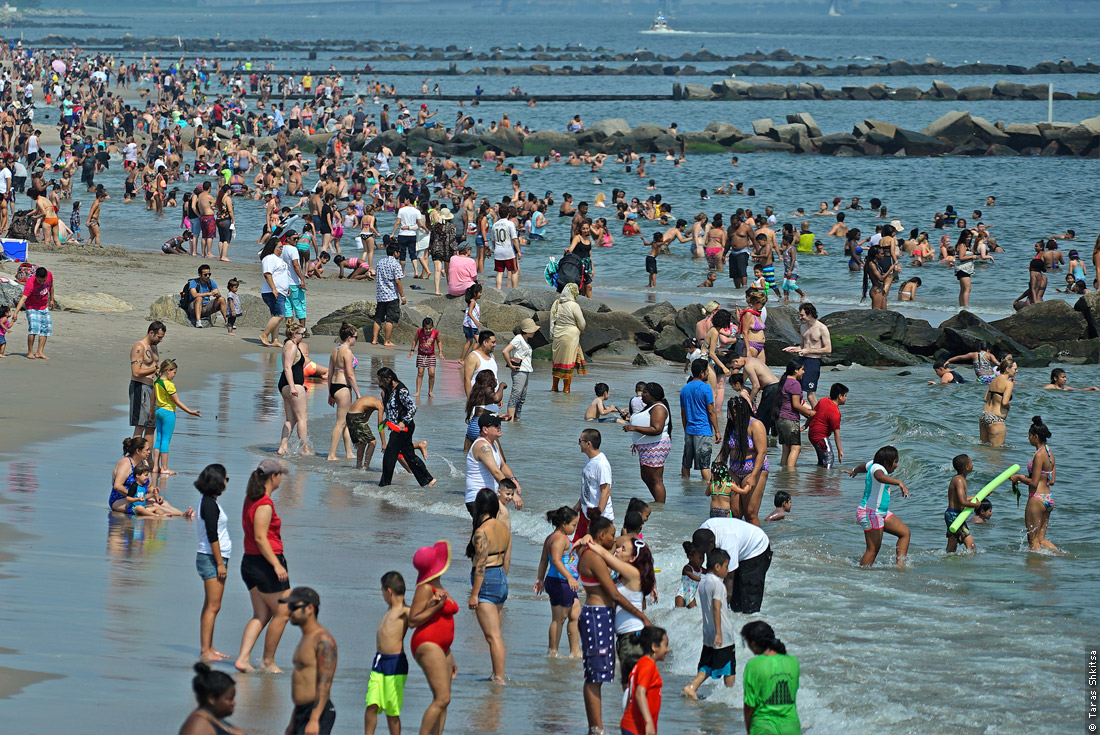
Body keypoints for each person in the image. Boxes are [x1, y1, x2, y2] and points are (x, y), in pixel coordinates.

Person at [576, 517, 650, 735]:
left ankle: (599, 727)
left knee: (600, 675)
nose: (614, 539)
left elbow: (617, 545)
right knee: (595, 676)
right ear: (601, 536)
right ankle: (596, 728)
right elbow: (614, 594)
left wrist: (587, 537)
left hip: (600, 615)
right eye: (611, 535)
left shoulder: (593, 551)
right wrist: (642, 617)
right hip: (596, 614)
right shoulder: (595, 557)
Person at [234, 459, 291, 673]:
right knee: (283, 612)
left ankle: (243, 658)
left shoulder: (251, 499)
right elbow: (260, 537)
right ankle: (268, 661)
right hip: (264, 563)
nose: (281, 479)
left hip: (250, 562)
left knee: (261, 614)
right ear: (273, 477)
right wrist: (276, 565)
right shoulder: (264, 504)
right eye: (280, 475)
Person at [409, 540, 460, 735]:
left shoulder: (438, 585)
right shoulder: (425, 588)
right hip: (427, 643)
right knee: (442, 698)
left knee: (445, 700)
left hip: (442, 648)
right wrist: (436, 606)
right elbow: (413, 620)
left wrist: (449, 654)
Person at [466, 487, 511, 683]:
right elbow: (507, 559)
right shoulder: (503, 527)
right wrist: (503, 579)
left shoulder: (481, 532)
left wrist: (474, 593)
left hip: (487, 581)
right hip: (501, 578)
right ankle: (496, 674)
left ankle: (499, 678)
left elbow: (481, 564)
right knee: (496, 636)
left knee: (493, 637)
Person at [682, 547, 737, 700]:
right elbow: (716, 608)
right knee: (729, 666)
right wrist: (719, 632)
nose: (727, 570)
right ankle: (730, 697)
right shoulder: (718, 585)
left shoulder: (704, 580)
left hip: (708, 630)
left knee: (708, 662)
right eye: (726, 566)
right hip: (722, 632)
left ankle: (692, 686)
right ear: (717, 567)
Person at [282, 587, 338, 735]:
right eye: (289, 607)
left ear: (309, 609)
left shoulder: (323, 640)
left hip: (316, 712)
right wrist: (292, 722)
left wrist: (314, 719)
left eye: (294, 607)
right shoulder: (305, 638)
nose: (289, 612)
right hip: (301, 712)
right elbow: (303, 682)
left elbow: (325, 683)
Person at [193, 464, 232, 665]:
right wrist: (219, 563)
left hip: (212, 556)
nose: (227, 482)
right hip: (211, 557)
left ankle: (208, 646)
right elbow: (212, 535)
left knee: (211, 605)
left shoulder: (209, 502)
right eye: (226, 478)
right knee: (213, 606)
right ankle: (205, 650)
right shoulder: (209, 504)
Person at [847, 445, 911, 568]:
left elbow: (862, 467)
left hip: (880, 512)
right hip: (870, 513)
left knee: (904, 533)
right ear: (887, 463)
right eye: (895, 462)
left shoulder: (873, 463)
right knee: (873, 549)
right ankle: (862, 575)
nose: (897, 465)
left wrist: (854, 470)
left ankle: (900, 566)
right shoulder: (877, 468)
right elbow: (879, 477)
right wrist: (899, 482)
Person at [692, 518, 772, 613]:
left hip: (756, 550)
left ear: (712, 543)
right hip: (739, 546)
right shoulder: (703, 531)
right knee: (736, 605)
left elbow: (729, 578)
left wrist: (719, 610)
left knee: (749, 603)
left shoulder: (728, 544)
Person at [364, 572, 410, 735]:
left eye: (382, 591)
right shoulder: (390, 608)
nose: (382, 595)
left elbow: (419, 619)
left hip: (395, 662)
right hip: (379, 661)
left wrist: (434, 603)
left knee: (392, 709)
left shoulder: (405, 611)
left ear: (389, 591)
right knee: (371, 703)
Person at [534, 506, 582, 658]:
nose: (575, 528)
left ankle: (575, 651)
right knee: (559, 618)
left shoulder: (551, 537)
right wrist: (569, 577)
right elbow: (554, 560)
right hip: (560, 582)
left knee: (575, 613)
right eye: (573, 525)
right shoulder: (559, 539)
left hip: (561, 581)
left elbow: (543, 561)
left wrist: (540, 579)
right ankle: (552, 651)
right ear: (563, 524)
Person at [377, 367, 435, 487]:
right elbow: (394, 409)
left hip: (404, 428)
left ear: (389, 378)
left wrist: (403, 422)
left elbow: (413, 408)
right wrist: (386, 421)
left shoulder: (401, 390)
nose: (380, 383)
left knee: (389, 455)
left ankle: (384, 485)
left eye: (381, 380)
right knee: (409, 455)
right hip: (396, 428)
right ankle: (428, 480)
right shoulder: (388, 390)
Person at [741, 621, 800, 735]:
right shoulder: (793, 662)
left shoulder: (753, 665)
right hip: (791, 727)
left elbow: (749, 705)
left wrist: (749, 730)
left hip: (764, 728)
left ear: (753, 643)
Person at [717, 395, 769, 525]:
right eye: (730, 413)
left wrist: (753, 476)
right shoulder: (732, 426)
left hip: (754, 469)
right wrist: (716, 472)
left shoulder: (755, 425)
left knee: (750, 513)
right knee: (735, 513)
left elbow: (762, 452)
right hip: (734, 470)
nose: (731, 417)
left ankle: (758, 543)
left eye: (734, 413)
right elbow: (724, 451)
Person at [1010, 416, 1058, 552]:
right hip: (1048, 498)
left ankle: (1034, 570)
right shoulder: (1050, 453)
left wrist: (1018, 477)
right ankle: (1061, 557)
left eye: (1029, 436)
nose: (1028, 439)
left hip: (1036, 499)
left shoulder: (1038, 455)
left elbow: (1034, 482)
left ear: (1036, 437)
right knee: (1042, 539)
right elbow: (1051, 480)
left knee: (1033, 542)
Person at [622, 382, 672, 503]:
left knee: (656, 479)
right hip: (647, 446)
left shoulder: (658, 408)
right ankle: (656, 501)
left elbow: (657, 429)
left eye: (645, 393)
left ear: (653, 395)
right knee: (645, 477)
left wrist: (634, 428)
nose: (642, 395)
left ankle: (660, 506)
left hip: (656, 446)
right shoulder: (651, 406)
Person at [152, 359, 203, 475]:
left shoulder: (156, 381)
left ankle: (155, 466)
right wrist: (190, 411)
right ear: (168, 370)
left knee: (159, 438)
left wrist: (151, 411)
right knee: (165, 440)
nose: (174, 375)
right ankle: (164, 467)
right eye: (174, 372)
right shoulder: (169, 385)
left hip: (158, 410)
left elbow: (152, 398)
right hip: (168, 413)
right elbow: (177, 402)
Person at [325, 323, 361, 462]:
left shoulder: (335, 350)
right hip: (343, 387)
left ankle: (349, 452)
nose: (356, 340)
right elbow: (350, 375)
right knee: (340, 423)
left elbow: (329, 373)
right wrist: (358, 393)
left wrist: (330, 392)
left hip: (334, 386)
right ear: (349, 337)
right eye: (355, 337)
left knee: (345, 421)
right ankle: (331, 454)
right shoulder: (347, 352)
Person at [782, 303, 830, 407]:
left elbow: (828, 349)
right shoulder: (803, 327)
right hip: (801, 360)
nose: (800, 318)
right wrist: (794, 348)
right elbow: (802, 347)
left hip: (813, 362)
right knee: (794, 390)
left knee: (810, 395)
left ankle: (818, 417)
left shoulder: (822, 328)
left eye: (802, 315)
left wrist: (809, 351)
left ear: (810, 314)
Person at [681, 359, 720, 483]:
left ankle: (685, 488)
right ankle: (706, 493)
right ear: (702, 373)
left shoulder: (685, 389)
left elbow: (683, 413)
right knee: (705, 465)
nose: (708, 373)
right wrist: (717, 431)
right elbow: (711, 411)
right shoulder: (706, 388)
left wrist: (685, 429)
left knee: (686, 464)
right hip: (703, 430)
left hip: (689, 430)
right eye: (707, 371)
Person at [179, 662, 243, 735]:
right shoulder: (198, 726)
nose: (233, 702)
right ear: (211, 699)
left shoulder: (213, 719)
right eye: (229, 699)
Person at [278, 324, 313, 456]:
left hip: (287, 385)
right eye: (301, 334)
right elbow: (287, 367)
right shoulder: (291, 346)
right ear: (294, 334)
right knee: (302, 418)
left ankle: (283, 446)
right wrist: (293, 386)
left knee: (290, 419)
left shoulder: (290, 344)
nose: (302, 337)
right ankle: (304, 448)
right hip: (291, 385)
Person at [773, 360, 815, 467]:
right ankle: (791, 474)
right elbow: (796, 405)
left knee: (786, 449)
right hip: (790, 420)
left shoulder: (784, 381)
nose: (804, 372)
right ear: (796, 371)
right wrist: (810, 414)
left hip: (780, 419)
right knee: (796, 448)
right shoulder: (795, 384)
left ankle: (784, 475)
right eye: (802, 369)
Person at [575, 428, 614, 541]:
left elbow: (605, 492)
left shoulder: (601, 464)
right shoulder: (590, 459)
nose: (579, 443)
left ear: (588, 444)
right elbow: (587, 485)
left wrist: (597, 518)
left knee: (591, 552)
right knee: (576, 548)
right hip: (585, 512)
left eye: (580, 441)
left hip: (598, 517)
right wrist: (578, 505)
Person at [129, 321, 165, 440]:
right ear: (151, 333)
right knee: (140, 424)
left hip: (153, 388)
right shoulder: (139, 347)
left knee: (151, 424)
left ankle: (147, 458)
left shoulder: (153, 347)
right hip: (140, 387)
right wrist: (155, 368)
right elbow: (136, 372)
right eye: (159, 337)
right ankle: (134, 455)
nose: (160, 340)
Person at [11, 264, 54, 359]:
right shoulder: (30, 282)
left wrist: (51, 300)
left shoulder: (49, 275)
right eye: (39, 281)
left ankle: (39, 352)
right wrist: (15, 312)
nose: (42, 283)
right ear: (36, 277)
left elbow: (51, 286)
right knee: (34, 329)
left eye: (43, 280)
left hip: (44, 306)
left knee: (45, 330)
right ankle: (30, 352)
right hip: (32, 307)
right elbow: (23, 299)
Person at [550, 283, 586, 392]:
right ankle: (566, 388)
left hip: (558, 335)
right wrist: (579, 328)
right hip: (571, 336)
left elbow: (552, 320)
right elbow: (582, 324)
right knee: (568, 361)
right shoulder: (574, 305)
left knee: (558, 361)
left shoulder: (556, 303)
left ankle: (554, 386)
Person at [502, 318, 538, 420]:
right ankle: (511, 420)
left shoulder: (525, 340)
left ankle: (517, 418)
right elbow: (505, 351)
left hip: (526, 370)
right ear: (526, 330)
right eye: (533, 330)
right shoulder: (518, 338)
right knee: (516, 395)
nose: (534, 332)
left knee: (522, 397)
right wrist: (510, 364)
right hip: (519, 371)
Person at [372, 243, 406, 346]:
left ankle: (374, 339)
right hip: (391, 295)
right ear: (395, 253)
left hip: (381, 294)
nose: (399, 254)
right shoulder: (396, 264)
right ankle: (387, 341)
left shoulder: (380, 262)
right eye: (398, 252)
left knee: (378, 318)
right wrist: (402, 296)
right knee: (390, 319)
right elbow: (398, 281)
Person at [945, 454, 981, 553]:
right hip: (954, 515)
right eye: (971, 462)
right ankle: (966, 567)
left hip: (952, 515)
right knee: (971, 546)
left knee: (951, 548)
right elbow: (963, 501)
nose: (973, 464)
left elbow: (962, 499)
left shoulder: (959, 479)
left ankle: (946, 566)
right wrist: (976, 505)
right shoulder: (959, 480)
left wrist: (982, 494)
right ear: (967, 467)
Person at [806, 383, 846, 469]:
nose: (846, 398)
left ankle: (819, 478)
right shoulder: (836, 413)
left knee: (822, 460)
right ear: (840, 396)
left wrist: (805, 426)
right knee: (829, 459)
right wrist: (840, 451)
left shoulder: (823, 400)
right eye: (845, 396)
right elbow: (837, 434)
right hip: (820, 437)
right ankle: (826, 478)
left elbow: (813, 414)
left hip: (812, 434)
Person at [259, 237, 290, 347]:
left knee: (275, 315)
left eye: (282, 247)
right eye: (279, 247)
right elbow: (267, 274)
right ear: (273, 247)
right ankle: (264, 335)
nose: (281, 249)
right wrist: (273, 289)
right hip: (272, 291)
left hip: (281, 291)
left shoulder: (279, 259)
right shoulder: (269, 258)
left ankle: (275, 339)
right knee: (280, 315)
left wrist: (287, 288)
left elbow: (281, 275)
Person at [979, 358, 1016, 447]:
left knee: (984, 449)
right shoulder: (1009, 383)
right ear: (1007, 369)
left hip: (984, 415)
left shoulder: (994, 380)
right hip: (996, 419)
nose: (1016, 371)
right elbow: (1005, 402)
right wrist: (1008, 408)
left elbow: (985, 399)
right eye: (1015, 369)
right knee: (997, 454)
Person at [345, 394, 383, 470]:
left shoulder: (373, 401)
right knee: (373, 442)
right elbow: (380, 425)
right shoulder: (381, 405)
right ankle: (365, 467)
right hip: (356, 416)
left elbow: (365, 419)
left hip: (349, 416)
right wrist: (384, 443)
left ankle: (358, 466)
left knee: (363, 441)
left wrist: (357, 437)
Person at [409, 317, 443, 398]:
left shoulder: (435, 333)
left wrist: (440, 352)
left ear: (432, 327)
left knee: (432, 373)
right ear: (423, 327)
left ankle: (430, 391)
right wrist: (412, 350)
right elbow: (415, 340)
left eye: (430, 328)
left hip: (431, 355)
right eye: (426, 329)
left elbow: (439, 341)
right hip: (421, 354)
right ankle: (417, 392)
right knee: (420, 373)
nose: (428, 330)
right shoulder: (419, 332)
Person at [463, 331, 500, 398]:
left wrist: (498, 397)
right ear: (485, 343)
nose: (495, 345)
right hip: (478, 399)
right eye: (493, 342)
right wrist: (470, 400)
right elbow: (467, 379)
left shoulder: (492, 356)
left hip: (492, 399)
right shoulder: (473, 357)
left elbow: (495, 378)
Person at [675, 543, 705, 608]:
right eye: (699, 558)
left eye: (703, 558)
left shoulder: (700, 568)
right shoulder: (687, 568)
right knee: (678, 613)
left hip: (691, 596)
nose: (702, 560)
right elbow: (693, 577)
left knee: (694, 614)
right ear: (690, 557)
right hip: (681, 594)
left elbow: (709, 572)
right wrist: (704, 580)